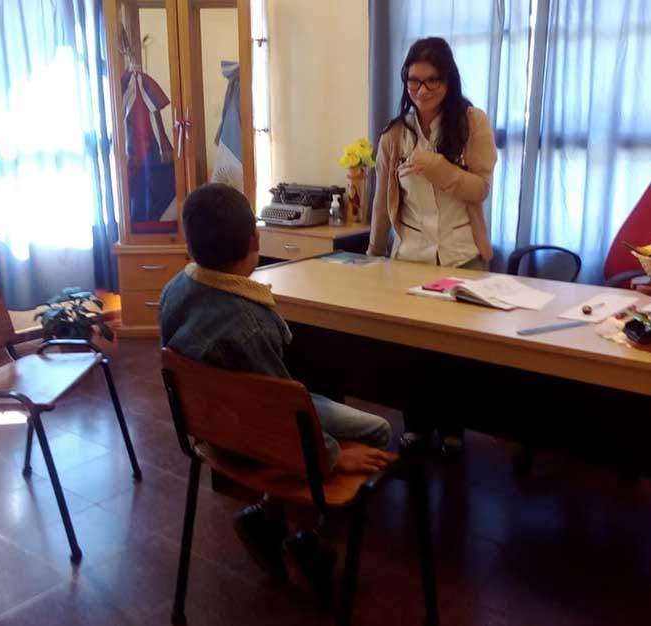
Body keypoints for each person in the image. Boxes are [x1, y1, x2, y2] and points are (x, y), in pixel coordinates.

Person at [159, 182, 395, 600]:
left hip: (213, 431)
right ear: (256, 240)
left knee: (305, 400)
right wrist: (333, 455)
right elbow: (282, 418)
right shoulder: (252, 322)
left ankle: (267, 516)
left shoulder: (172, 292)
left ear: (189, 243)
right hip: (252, 437)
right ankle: (309, 540)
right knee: (378, 429)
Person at [367, 36, 498, 453]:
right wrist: (373, 256)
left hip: (462, 256)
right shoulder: (394, 135)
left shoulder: (472, 123)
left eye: (431, 81)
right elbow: (381, 201)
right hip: (411, 258)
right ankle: (417, 425)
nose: (421, 90)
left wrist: (438, 167)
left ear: (448, 81)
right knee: (413, 351)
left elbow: (480, 189)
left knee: (456, 355)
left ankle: (454, 429)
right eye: (413, 81)